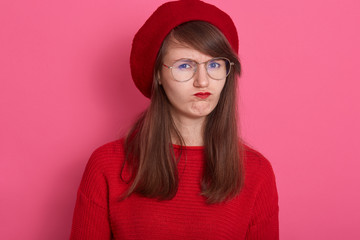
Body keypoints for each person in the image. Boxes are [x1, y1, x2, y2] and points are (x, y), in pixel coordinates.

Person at [70, 0, 279, 239]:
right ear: (158, 74)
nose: (203, 80)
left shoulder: (256, 172)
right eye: (185, 66)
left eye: (214, 64)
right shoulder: (106, 167)